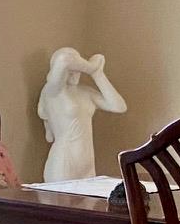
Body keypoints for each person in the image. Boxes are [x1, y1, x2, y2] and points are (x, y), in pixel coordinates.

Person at [38, 47, 126, 183]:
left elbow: (119, 107)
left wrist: (98, 74)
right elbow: (64, 59)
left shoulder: (86, 92)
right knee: (60, 197)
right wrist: (91, 67)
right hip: (64, 160)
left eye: (77, 70)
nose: (75, 74)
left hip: (87, 162)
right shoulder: (53, 91)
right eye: (71, 69)